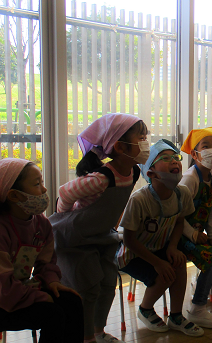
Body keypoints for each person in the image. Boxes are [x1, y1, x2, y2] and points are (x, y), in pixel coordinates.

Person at [49, 113, 149, 343]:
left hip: (101, 236)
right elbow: (65, 193)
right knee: (88, 288)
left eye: (146, 136)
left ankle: (97, 331)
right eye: (141, 137)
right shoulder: (102, 178)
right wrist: (66, 218)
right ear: (120, 147)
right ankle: (85, 337)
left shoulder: (133, 172)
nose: (146, 142)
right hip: (76, 238)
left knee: (107, 284)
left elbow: (115, 204)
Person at [0, 158, 84, 342]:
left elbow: (46, 263)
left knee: (71, 302)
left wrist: (51, 282)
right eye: (37, 184)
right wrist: (35, 296)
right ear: (14, 195)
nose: (44, 190)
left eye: (41, 182)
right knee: (52, 313)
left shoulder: (41, 223)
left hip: (16, 294)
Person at [116, 139, 204, 337]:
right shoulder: (139, 200)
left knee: (179, 262)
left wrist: (172, 248)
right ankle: (145, 309)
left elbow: (180, 221)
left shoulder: (182, 193)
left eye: (176, 157)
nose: (174, 161)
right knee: (164, 272)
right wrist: (157, 263)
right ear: (151, 173)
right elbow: (129, 240)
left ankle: (175, 316)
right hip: (133, 253)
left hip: (160, 247)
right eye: (165, 158)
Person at [179, 127, 212, 328]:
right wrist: (192, 234)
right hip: (181, 235)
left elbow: (208, 210)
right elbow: (176, 216)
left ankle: (203, 287)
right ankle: (197, 308)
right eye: (206, 146)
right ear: (194, 154)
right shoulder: (190, 179)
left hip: (198, 233)